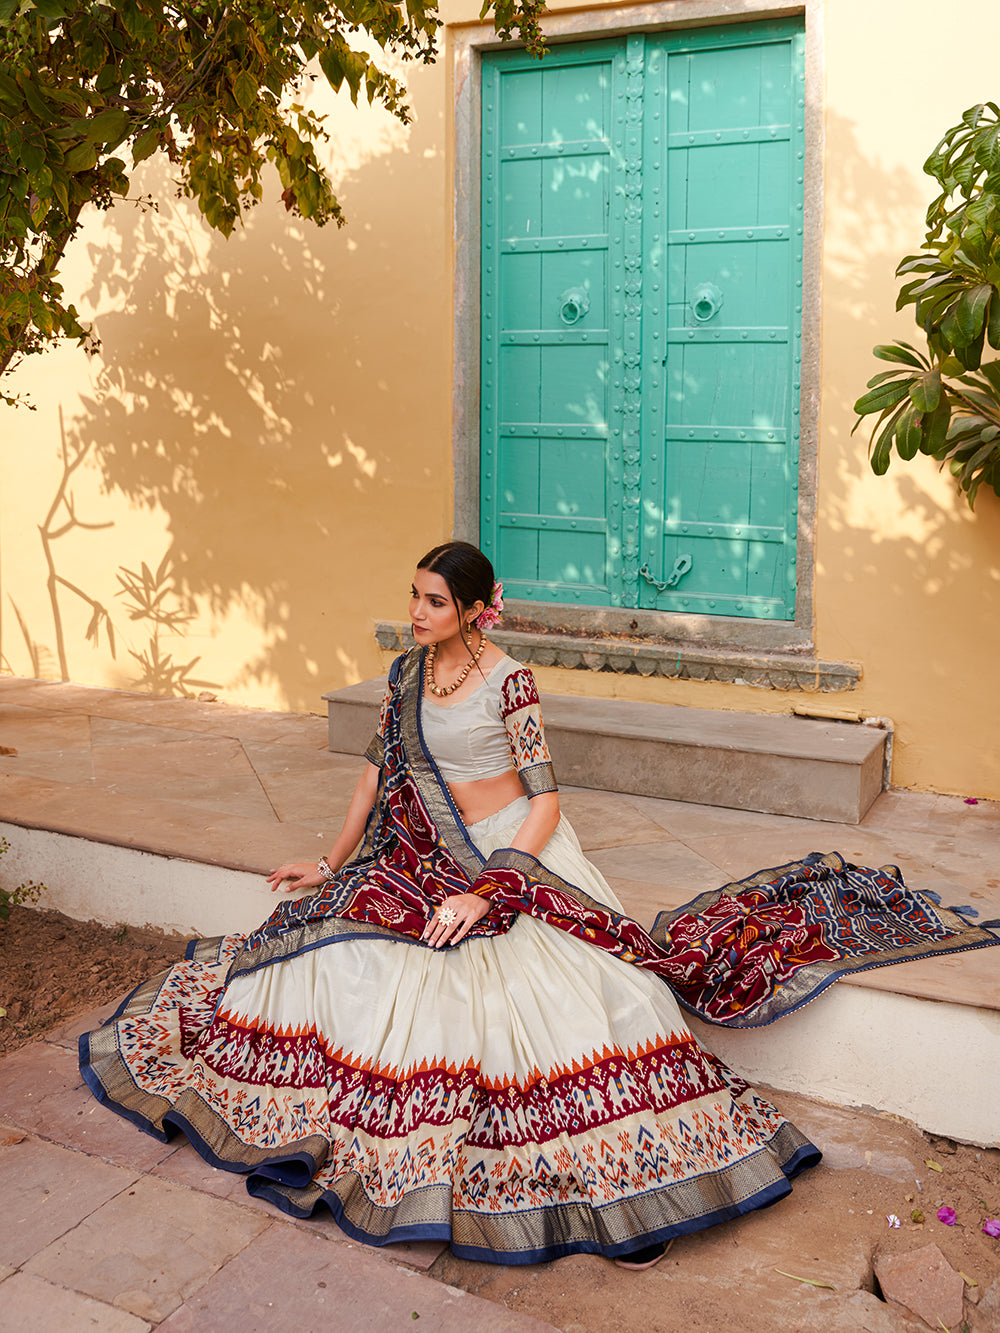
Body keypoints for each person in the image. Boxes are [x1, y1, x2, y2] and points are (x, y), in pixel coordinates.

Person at [79, 541, 998, 1269]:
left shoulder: (511, 680)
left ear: (478, 609)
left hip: (515, 849)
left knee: (567, 994)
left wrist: (491, 885)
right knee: (331, 934)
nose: (416, 612)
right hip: (421, 850)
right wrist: (327, 859)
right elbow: (375, 773)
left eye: (434, 601)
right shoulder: (407, 675)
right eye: (413, 596)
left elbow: (547, 797)